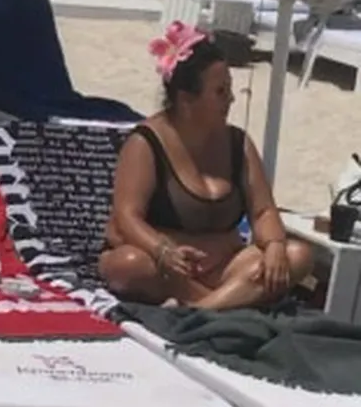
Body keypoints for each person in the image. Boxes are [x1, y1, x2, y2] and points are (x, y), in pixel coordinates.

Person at [99, 21, 313, 310]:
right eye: (220, 91)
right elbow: (127, 217)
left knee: (297, 255)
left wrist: (274, 245)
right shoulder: (147, 143)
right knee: (129, 264)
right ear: (186, 99)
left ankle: (202, 309)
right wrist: (162, 250)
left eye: (230, 89)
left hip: (226, 265)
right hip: (166, 265)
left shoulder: (238, 143)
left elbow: (262, 210)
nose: (231, 99)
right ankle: (229, 303)